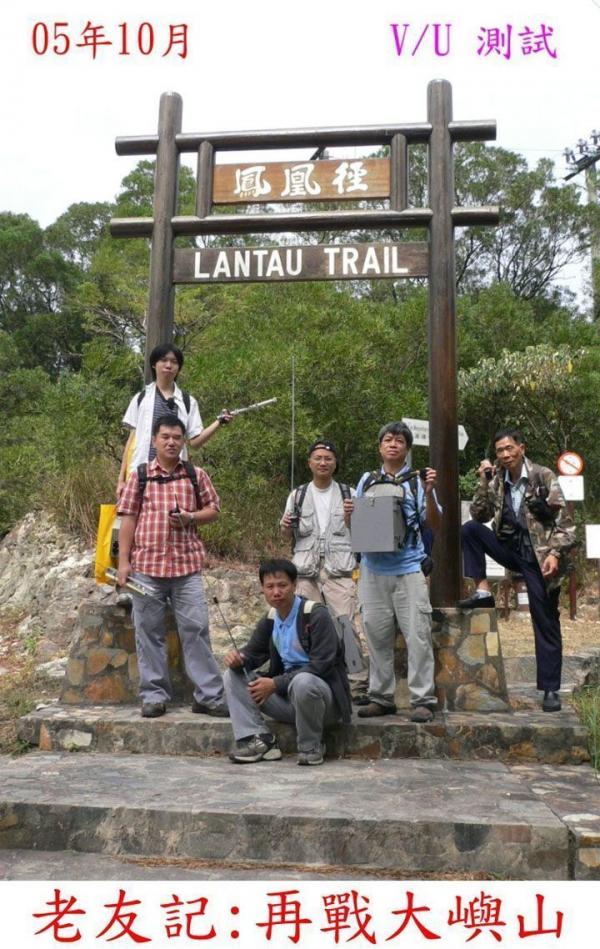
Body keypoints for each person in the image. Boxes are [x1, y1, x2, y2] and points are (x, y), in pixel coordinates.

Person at [117, 414, 227, 719]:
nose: (171, 442)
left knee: (196, 630)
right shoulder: (139, 476)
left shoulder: (195, 474)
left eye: (177, 437)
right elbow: (128, 519)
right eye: (165, 436)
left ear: (183, 442)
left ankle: (209, 695)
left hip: (186, 566)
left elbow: (214, 509)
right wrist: (124, 562)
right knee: (148, 632)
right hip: (147, 567)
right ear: (153, 440)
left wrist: (190, 517)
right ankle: (153, 695)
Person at [458, 428, 576, 712]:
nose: (505, 454)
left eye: (510, 448)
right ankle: (483, 591)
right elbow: (480, 515)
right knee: (470, 530)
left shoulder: (543, 476)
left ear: (521, 448)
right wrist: (484, 482)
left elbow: (567, 523)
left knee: (544, 618)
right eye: (500, 450)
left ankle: (550, 689)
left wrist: (556, 554)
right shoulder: (497, 480)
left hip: (541, 556)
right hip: (511, 551)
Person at [346, 421, 441, 723]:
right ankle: (381, 697)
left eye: (400, 441)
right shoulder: (366, 480)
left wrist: (429, 492)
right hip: (372, 571)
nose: (393, 444)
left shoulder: (418, 481)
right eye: (387, 439)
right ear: (379, 447)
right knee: (376, 636)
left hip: (409, 569)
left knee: (419, 637)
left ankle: (423, 699)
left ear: (407, 448)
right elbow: (356, 528)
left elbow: (435, 524)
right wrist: (350, 516)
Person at [223, 558, 352, 766]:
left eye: (282, 585)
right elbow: (253, 653)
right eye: (270, 587)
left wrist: (275, 684)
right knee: (232, 676)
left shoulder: (316, 615)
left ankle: (311, 746)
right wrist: (239, 659)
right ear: (263, 590)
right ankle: (261, 740)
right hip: (288, 701)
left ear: (294, 585)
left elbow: (321, 665)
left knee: (303, 681)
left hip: (322, 703)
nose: (276, 592)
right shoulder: (271, 618)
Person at [280, 439, 367, 699]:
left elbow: (363, 533)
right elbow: (287, 534)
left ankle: (356, 682)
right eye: (317, 458)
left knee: (346, 625)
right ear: (309, 462)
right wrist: (285, 525)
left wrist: (354, 518)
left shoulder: (349, 493)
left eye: (328, 458)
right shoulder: (298, 495)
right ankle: (306, 676)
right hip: (305, 571)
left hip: (340, 570)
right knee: (305, 626)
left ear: (335, 462)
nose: (323, 462)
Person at [117, 343, 232, 498]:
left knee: (172, 520)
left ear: (178, 367)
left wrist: (219, 422)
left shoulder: (187, 402)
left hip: (174, 477)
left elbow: (195, 442)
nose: (169, 365)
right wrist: (121, 480)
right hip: (141, 475)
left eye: (174, 362)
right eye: (163, 360)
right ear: (154, 364)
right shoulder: (141, 399)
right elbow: (132, 441)